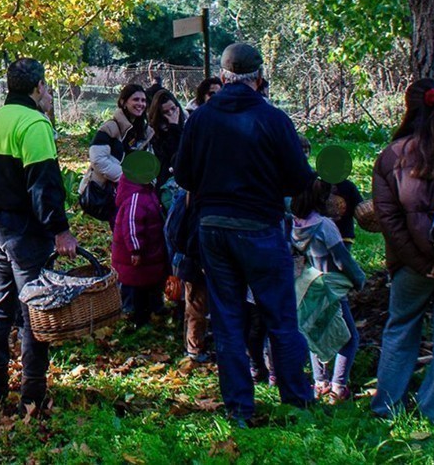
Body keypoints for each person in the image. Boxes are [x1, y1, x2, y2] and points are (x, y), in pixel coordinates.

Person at [174, 43, 315, 423]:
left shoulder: (200, 119)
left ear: (222, 77)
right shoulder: (273, 119)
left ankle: (239, 406)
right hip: (260, 227)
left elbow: (183, 175)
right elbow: (300, 178)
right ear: (258, 76)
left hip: (214, 227)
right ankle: (297, 401)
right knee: (280, 317)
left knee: (228, 318)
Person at [0, 58, 78, 414]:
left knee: (0, 307)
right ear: (38, 87)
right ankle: (33, 392)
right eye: (46, 87)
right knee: (34, 308)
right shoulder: (34, 123)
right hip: (25, 230)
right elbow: (45, 184)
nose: (47, 93)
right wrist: (60, 231)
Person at [371, 79, 434, 425]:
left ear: (409, 107)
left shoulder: (391, 157)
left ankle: (386, 409)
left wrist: (419, 263)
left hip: (412, 268)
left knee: (400, 330)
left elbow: (389, 220)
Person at [290, 178, 366, 403]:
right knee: (349, 337)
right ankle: (338, 386)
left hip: (308, 284)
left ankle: (320, 382)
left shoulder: (294, 224)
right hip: (331, 285)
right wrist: (359, 279)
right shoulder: (324, 226)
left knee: (316, 332)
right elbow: (342, 260)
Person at [79, 83, 153, 227]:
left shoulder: (144, 132)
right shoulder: (110, 127)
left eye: (143, 100)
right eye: (136, 99)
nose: (140, 104)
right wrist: (126, 177)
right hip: (107, 192)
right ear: (124, 102)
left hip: (130, 193)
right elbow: (98, 159)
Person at [112, 162, 168, 327]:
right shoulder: (135, 197)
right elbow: (132, 225)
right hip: (136, 256)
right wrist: (135, 249)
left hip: (150, 253)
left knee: (149, 282)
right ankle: (134, 315)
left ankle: (152, 309)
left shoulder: (147, 193)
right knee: (135, 287)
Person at [148, 89, 185, 190]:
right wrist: (173, 128)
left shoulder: (184, 127)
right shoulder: (153, 134)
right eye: (166, 112)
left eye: (173, 109)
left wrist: (175, 128)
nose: (171, 114)